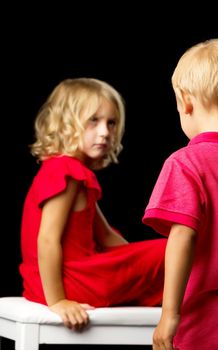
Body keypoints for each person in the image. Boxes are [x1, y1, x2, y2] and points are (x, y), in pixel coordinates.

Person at [19, 77, 167, 330]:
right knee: (177, 249)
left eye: (111, 123)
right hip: (67, 283)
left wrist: (138, 265)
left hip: (62, 279)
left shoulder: (73, 172)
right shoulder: (65, 170)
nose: (105, 132)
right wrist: (58, 301)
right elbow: (46, 240)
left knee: (169, 253)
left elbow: (106, 236)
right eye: (93, 121)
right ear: (66, 123)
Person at [142, 38, 218, 349]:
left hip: (203, 321)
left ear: (185, 102)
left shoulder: (186, 163)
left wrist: (169, 316)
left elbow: (183, 236)